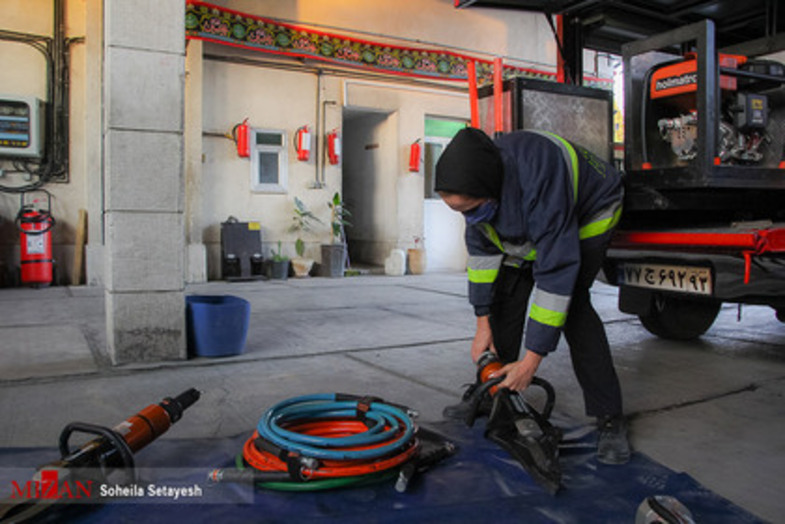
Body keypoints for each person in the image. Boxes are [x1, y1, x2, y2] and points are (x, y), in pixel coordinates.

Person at [435, 127, 630, 465]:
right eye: (459, 212)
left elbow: (555, 273)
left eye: (470, 209)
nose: (468, 218)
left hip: (590, 213)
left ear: (489, 191)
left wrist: (532, 361)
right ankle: (493, 390)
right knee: (506, 294)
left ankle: (610, 417)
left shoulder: (540, 176)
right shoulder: (481, 181)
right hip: (534, 218)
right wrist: (482, 322)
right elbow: (482, 258)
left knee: (572, 307)